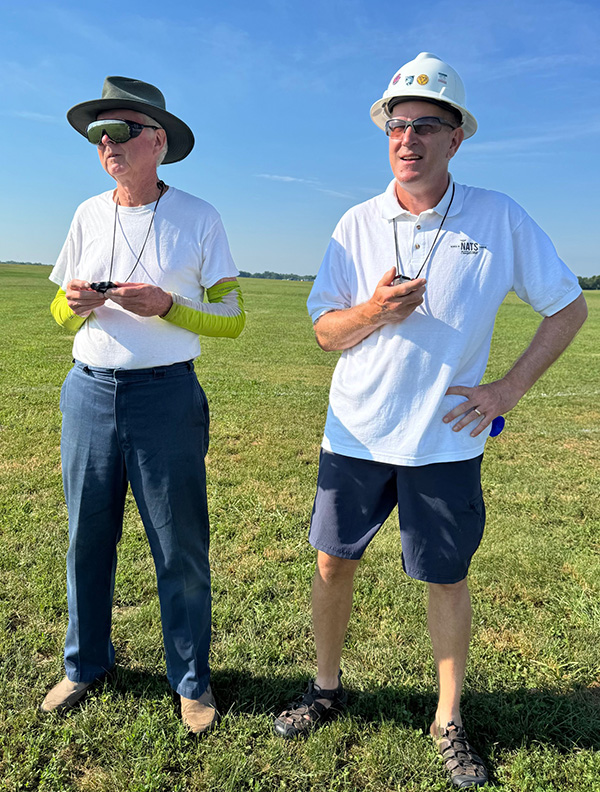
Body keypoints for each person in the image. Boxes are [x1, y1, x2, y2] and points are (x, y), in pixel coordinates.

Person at [273, 52, 587, 787]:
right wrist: (374, 312)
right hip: (353, 433)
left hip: (444, 442)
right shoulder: (356, 223)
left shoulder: (498, 216)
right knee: (331, 562)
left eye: (424, 126)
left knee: (445, 578)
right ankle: (325, 688)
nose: (406, 138)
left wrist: (507, 389)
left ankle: (449, 719)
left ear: (456, 138)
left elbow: (567, 306)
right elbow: (325, 332)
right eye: (395, 125)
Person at [41, 76, 245, 735]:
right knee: (85, 539)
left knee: (179, 546)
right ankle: (84, 665)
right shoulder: (84, 214)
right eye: (99, 134)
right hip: (89, 393)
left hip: (166, 397)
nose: (108, 143)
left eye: (121, 131)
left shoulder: (199, 217)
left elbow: (233, 319)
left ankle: (191, 683)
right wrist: (70, 306)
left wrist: (169, 307)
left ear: (157, 141)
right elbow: (54, 314)